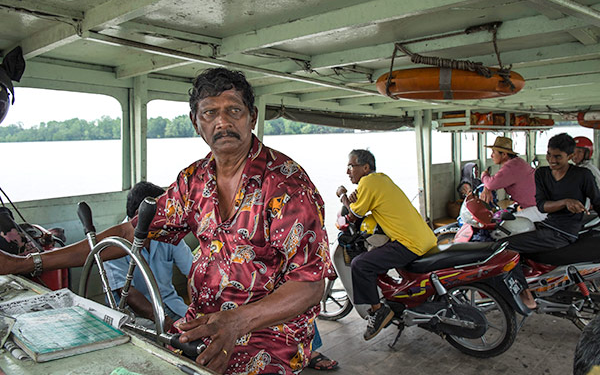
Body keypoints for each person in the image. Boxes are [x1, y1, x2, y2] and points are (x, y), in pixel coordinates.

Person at [0, 68, 334, 375]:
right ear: (195, 122)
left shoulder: (288, 185)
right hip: (202, 323)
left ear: (252, 117)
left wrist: (235, 323)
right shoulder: (194, 181)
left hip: (269, 336)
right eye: (210, 113)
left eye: (234, 110)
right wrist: (29, 262)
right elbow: (131, 232)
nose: (223, 122)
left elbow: (311, 285)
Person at [335, 149, 436, 340]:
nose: (348, 171)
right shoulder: (381, 179)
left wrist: (342, 195)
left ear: (365, 168)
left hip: (409, 243)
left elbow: (353, 215)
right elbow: (364, 205)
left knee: (361, 264)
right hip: (425, 238)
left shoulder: (368, 182)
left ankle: (378, 310)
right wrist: (353, 199)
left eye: (351, 166)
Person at [104, 181, 193, 331]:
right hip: (134, 316)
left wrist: (197, 311)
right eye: (161, 213)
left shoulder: (166, 234)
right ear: (142, 215)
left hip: (171, 305)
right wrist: (167, 325)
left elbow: (193, 272)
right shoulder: (114, 245)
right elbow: (130, 295)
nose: (166, 218)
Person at [503, 133, 600, 254]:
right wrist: (565, 202)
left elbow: (597, 202)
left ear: (570, 156)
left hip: (565, 232)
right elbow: (542, 206)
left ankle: (517, 274)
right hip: (547, 225)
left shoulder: (583, 175)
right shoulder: (542, 174)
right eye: (549, 154)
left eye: (558, 156)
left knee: (503, 247)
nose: (552, 160)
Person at [479, 136, 546, 223]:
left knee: (505, 225)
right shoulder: (517, 162)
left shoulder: (512, 166)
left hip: (537, 208)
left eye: (493, 152)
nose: (491, 155)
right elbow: (492, 182)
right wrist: (486, 187)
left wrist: (483, 175)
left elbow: (491, 184)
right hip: (537, 204)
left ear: (504, 154)